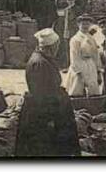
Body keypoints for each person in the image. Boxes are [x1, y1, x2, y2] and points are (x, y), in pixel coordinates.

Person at [15, 28, 81, 157]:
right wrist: (50, 119)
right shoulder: (39, 63)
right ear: (51, 47)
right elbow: (42, 95)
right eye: (56, 46)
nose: (57, 49)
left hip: (51, 109)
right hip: (44, 114)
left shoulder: (44, 59)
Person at [65, 15, 102, 97]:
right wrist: (78, 73)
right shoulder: (75, 39)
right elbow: (74, 57)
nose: (85, 26)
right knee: (78, 90)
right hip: (80, 66)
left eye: (87, 24)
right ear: (78, 25)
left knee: (92, 90)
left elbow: (96, 55)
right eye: (83, 24)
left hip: (91, 66)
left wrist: (98, 71)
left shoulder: (91, 38)